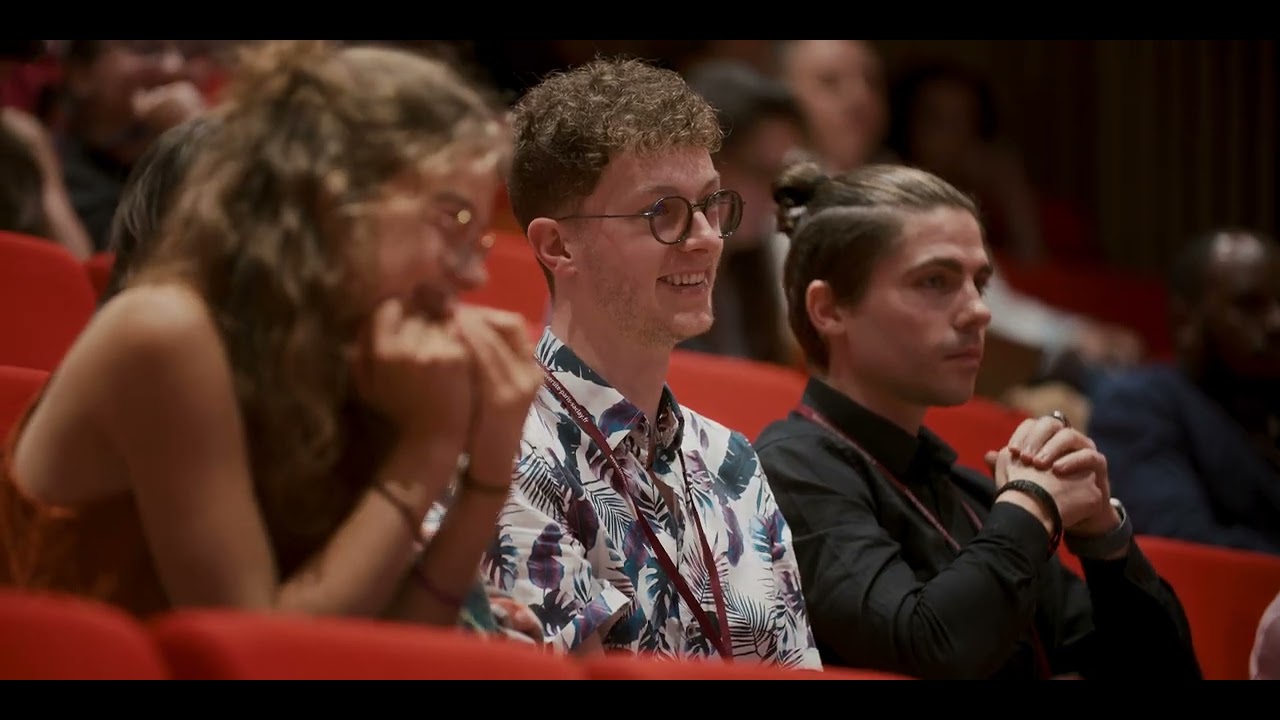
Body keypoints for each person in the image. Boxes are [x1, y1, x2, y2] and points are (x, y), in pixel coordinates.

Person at [0, 40, 543, 633]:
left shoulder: (354, 357)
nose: (473, 274)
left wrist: (488, 474)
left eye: (478, 235)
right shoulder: (165, 331)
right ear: (336, 197)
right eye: (453, 220)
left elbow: (378, 647)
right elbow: (260, 653)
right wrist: (428, 446)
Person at [753, 160, 1201, 679]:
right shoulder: (791, 467)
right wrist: (1031, 505)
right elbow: (925, 649)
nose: (979, 311)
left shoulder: (971, 495)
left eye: (979, 283)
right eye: (935, 281)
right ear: (829, 309)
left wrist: (1105, 541)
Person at [492, 56, 821, 667]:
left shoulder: (733, 458)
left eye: (710, 205)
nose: (704, 237)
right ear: (559, 246)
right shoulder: (505, 446)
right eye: (661, 212)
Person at [1088, 229, 1280, 555]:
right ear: (1185, 321)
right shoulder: (1138, 403)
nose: (1276, 322)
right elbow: (1186, 547)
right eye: (1250, 306)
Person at [679, 59, 808, 367]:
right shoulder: (646, 271)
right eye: (759, 171)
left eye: (783, 175)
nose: (775, 195)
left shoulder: (754, 273)